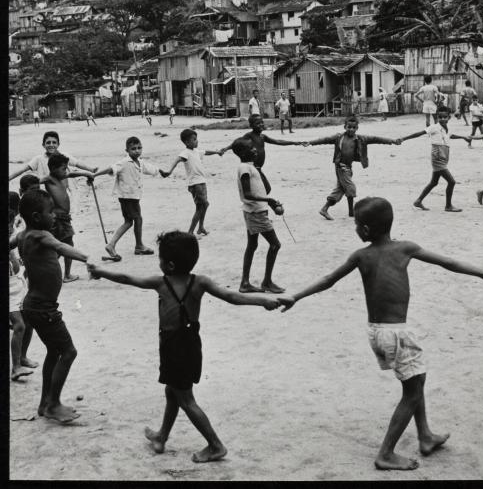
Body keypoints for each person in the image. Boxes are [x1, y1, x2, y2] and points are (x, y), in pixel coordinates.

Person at [277, 196, 483, 471]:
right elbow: (447, 262)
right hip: (397, 334)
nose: (355, 228)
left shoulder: (361, 255)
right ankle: (386, 453)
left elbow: (328, 280)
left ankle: (425, 435)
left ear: (365, 230)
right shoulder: (405, 248)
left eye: (356, 224)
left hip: (378, 332)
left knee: (415, 380)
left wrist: (296, 296)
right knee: (413, 390)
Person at [87, 230, 278, 462]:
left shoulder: (161, 283)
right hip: (190, 343)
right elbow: (232, 297)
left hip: (172, 346)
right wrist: (263, 301)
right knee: (172, 391)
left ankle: (215, 445)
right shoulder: (200, 282)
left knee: (185, 399)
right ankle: (161, 437)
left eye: (159, 259)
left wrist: (100, 272)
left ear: (168, 264)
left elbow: (128, 279)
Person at [10, 189, 89, 423]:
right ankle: (53, 404)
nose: (54, 216)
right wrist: (87, 258)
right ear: (36, 216)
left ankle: (46, 402)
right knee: (68, 351)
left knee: (54, 352)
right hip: (43, 308)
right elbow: (62, 247)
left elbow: (9, 242)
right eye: (50, 212)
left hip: (33, 305)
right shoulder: (40, 235)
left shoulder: (23, 236)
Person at [303, 116, 401, 220]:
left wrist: (392, 141)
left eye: (354, 127)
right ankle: (350, 212)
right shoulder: (339, 137)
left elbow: (376, 139)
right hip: (341, 167)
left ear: (357, 128)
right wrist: (311, 142)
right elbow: (325, 139)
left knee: (340, 190)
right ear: (345, 127)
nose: (351, 129)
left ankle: (325, 209)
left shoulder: (360, 139)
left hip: (348, 168)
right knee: (350, 188)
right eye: (349, 127)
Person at [92, 136, 168, 261]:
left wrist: (160, 171)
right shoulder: (124, 162)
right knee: (135, 220)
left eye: (139, 148)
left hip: (133, 196)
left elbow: (149, 168)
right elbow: (111, 168)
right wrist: (95, 175)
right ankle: (120, 245)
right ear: (126, 150)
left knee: (131, 221)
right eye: (133, 149)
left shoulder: (139, 161)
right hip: (127, 197)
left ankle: (134, 245)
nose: (137, 151)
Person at [232, 137, 285, 294]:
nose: (255, 150)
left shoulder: (250, 167)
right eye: (251, 148)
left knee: (252, 245)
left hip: (254, 210)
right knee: (275, 245)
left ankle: (245, 283)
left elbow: (266, 189)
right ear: (242, 152)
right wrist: (268, 200)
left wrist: (260, 171)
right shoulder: (244, 169)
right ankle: (266, 282)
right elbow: (248, 194)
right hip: (256, 212)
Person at [39, 153, 94, 283]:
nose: (66, 171)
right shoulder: (50, 178)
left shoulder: (62, 176)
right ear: (53, 169)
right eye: (63, 168)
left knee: (60, 246)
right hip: (58, 219)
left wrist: (87, 174)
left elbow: (73, 173)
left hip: (63, 218)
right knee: (65, 245)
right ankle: (64, 274)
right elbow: (36, 181)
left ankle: (51, 271)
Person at [219, 114, 306, 193]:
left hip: (258, 168)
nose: (261, 125)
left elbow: (277, 141)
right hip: (253, 167)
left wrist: (294, 142)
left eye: (262, 122)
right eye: (258, 123)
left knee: (265, 189)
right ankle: (264, 204)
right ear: (251, 125)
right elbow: (237, 143)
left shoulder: (262, 136)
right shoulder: (249, 136)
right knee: (266, 189)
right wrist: (226, 148)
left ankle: (262, 203)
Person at [401, 106, 465, 212]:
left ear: (449, 117)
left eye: (445, 117)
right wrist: (404, 138)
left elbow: (451, 135)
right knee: (452, 182)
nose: (443, 119)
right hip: (438, 158)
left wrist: (464, 137)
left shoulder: (447, 129)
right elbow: (419, 133)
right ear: (437, 117)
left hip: (444, 157)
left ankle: (418, 201)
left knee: (434, 182)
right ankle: (448, 206)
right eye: (440, 117)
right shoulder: (434, 127)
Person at [163, 129, 222, 237]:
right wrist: (169, 171)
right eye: (194, 140)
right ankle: (190, 232)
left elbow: (206, 152)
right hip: (195, 184)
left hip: (201, 182)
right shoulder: (185, 153)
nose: (197, 141)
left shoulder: (196, 151)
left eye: (196, 139)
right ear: (186, 142)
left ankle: (201, 227)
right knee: (203, 205)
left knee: (202, 206)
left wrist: (217, 152)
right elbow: (177, 160)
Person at [9, 192, 38, 381]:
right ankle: (15, 367)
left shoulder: (13, 232)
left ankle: (22, 357)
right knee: (19, 325)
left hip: (17, 283)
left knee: (28, 322)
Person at [9, 130, 98, 184]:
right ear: (43, 145)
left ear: (58, 144)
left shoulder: (63, 156)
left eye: (54, 142)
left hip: (62, 189)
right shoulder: (39, 159)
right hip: (45, 192)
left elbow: (77, 163)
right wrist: (9, 178)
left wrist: (90, 169)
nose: (51, 145)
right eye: (48, 143)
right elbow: (22, 169)